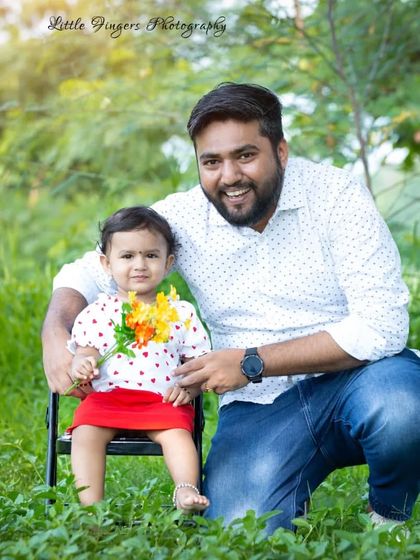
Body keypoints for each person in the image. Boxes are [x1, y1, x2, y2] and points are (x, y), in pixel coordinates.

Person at [42, 83, 420, 534]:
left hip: (359, 379)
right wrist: (55, 337)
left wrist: (250, 361)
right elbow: (84, 271)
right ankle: (287, 481)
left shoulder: (336, 196)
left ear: (280, 151)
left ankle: (389, 515)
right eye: (211, 162)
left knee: (402, 408)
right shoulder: (183, 216)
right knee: (240, 528)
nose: (229, 176)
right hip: (259, 405)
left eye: (245, 155)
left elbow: (383, 328)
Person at [64, 205, 210, 511]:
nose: (139, 265)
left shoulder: (179, 312)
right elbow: (86, 351)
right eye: (127, 256)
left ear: (168, 262)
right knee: (85, 432)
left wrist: (191, 387)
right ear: (106, 263)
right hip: (110, 398)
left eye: (151, 255)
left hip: (161, 400)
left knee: (178, 435)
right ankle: (93, 508)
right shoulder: (98, 312)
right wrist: (83, 363)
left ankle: (185, 491)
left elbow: (198, 362)